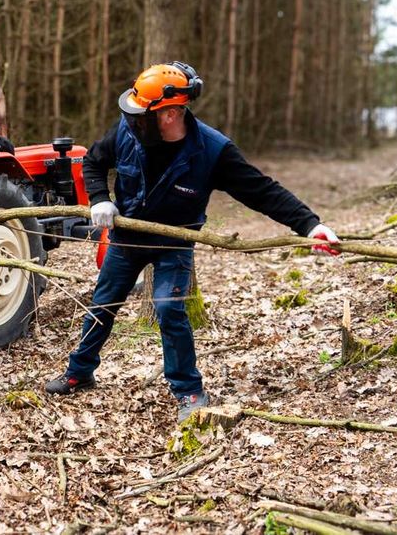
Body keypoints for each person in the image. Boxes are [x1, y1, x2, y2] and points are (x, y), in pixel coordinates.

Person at [44, 62, 340, 423]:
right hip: (127, 239)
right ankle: (80, 370)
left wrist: (310, 225)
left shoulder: (212, 151)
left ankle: (188, 390)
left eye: (142, 115)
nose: (133, 120)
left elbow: (262, 190)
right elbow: (93, 161)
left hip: (175, 243)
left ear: (169, 114)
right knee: (102, 303)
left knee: (169, 309)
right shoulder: (127, 130)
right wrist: (99, 198)